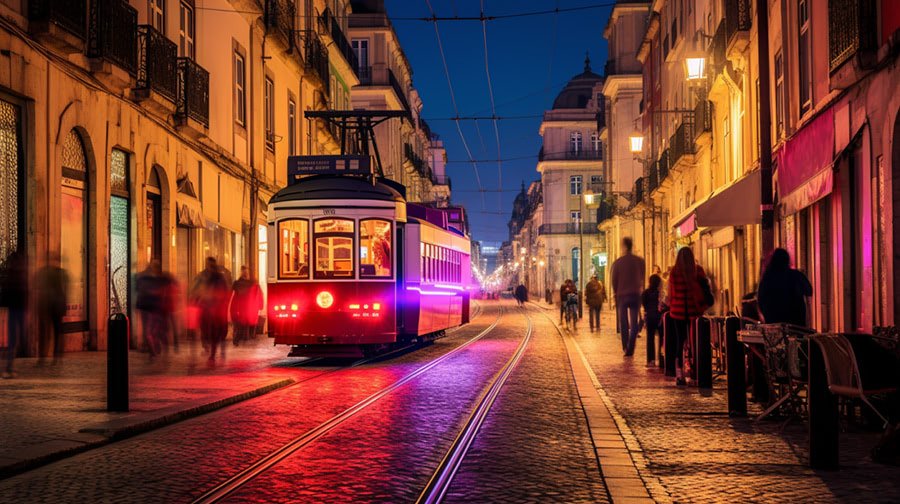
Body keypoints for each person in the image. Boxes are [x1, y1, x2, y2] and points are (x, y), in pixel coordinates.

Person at [667, 247, 710, 386]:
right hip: (694, 312)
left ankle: (679, 374)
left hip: (677, 312)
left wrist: (672, 304)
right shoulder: (698, 270)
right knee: (694, 342)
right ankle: (695, 372)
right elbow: (705, 289)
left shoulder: (674, 272)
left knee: (680, 342)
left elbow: (671, 293)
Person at [757, 248, 813, 327]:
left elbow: (760, 300)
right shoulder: (795, 275)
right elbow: (809, 291)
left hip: (774, 322)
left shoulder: (767, 278)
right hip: (795, 322)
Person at [190, 257, 230, 364]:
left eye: (211, 265)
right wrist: (194, 299)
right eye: (208, 264)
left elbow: (225, 291)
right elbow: (195, 288)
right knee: (204, 329)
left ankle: (213, 353)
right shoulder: (202, 276)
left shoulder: (219, 277)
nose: (210, 267)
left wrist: (223, 303)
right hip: (205, 307)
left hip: (216, 308)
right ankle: (207, 346)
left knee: (215, 331)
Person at [610, 237, 646, 356]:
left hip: (622, 295)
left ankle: (625, 346)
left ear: (624, 246)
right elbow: (642, 277)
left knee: (624, 322)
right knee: (634, 322)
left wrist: (615, 293)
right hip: (635, 294)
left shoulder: (618, 262)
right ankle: (631, 347)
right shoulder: (640, 261)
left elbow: (614, 280)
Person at [35, 254, 67, 365]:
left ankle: (54, 356)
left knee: (52, 332)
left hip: (53, 307)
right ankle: (49, 357)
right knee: (49, 332)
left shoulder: (56, 273)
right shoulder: (55, 273)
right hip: (48, 306)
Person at [2, 251, 27, 378]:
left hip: (14, 309)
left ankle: (9, 367)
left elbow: (6, 292)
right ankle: (10, 367)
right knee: (17, 338)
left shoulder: (11, 274)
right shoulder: (21, 275)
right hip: (19, 309)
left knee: (13, 339)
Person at [135, 261, 165, 357]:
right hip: (151, 306)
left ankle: (152, 346)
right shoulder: (155, 279)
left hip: (146, 306)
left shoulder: (141, 277)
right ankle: (152, 347)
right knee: (152, 329)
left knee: (148, 329)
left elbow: (138, 289)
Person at [231, 266, 263, 346]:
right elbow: (235, 295)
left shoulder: (252, 283)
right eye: (244, 271)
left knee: (246, 323)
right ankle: (239, 338)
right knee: (241, 323)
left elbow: (258, 294)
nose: (245, 273)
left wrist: (260, 304)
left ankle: (243, 338)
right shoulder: (238, 283)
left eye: (246, 272)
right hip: (241, 307)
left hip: (248, 307)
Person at [642, 274, 662, 367]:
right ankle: (661, 359)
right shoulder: (660, 293)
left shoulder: (645, 293)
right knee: (662, 338)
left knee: (650, 339)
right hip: (659, 317)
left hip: (650, 317)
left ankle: (651, 360)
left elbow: (644, 304)